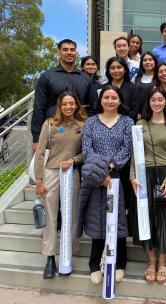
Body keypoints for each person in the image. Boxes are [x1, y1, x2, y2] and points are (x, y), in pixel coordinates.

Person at [130, 86, 166, 284]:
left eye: (160, 100)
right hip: (143, 175)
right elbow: (134, 152)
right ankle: (151, 262)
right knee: (147, 219)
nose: (156, 103)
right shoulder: (140, 123)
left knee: (164, 221)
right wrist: (132, 176)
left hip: (164, 175)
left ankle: (163, 263)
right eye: (153, 100)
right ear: (149, 102)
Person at [78, 85, 134, 284]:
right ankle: (94, 264)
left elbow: (127, 150)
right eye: (106, 97)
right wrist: (100, 174)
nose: (110, 101)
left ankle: (119, 263)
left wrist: (108, 168)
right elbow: (86, 150)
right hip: (95, 180)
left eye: (114, 97)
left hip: (117, 179)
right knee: (97, 218)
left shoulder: (127, 122)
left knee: (117, 219)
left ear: (119, 100)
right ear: (100, 100)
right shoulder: (91, 122)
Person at [34, 91, 87, 279]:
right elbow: (40, 153)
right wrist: (39, 181)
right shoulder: (50, 125)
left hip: (71, 174)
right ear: (60, 105)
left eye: (71, 103)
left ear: (76, 105)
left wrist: (73, 159)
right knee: (51, 217)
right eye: (64, 104)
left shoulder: (82, 125)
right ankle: (50, 258)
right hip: (51, 173)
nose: (68, 107)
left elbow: (85, 153)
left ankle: (67, 256)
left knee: (71, 216)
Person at [32, 39, 93, 152]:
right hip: (54, 131)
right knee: (51, 166)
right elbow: (38, 107)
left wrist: (87, 127)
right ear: (58, 53)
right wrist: (36, 138)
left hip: (78, 133)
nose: (69, 52)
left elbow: (92, 107)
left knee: (77, 165)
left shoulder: (85, 78)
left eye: (72, 50)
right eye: (65, 50)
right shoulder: (47, 77)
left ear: (76, 53)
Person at [103, 56, 139, 121]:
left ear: (125, 70)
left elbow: (135, 110)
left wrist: (120, 123)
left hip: (126, 125)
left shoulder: (133, 88)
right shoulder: (103, 88)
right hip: (105, 123)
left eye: (119, 67)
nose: (116, 71)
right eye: (112, 68)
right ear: (108, 70)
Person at [134, 52, 158, 117]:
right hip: (138, 114)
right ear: (141, 63)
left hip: (154, 114)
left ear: (155, 61)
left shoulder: (159, 77)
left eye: (150, 59)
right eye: (145, 60)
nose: (147, 62)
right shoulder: (137, 77)